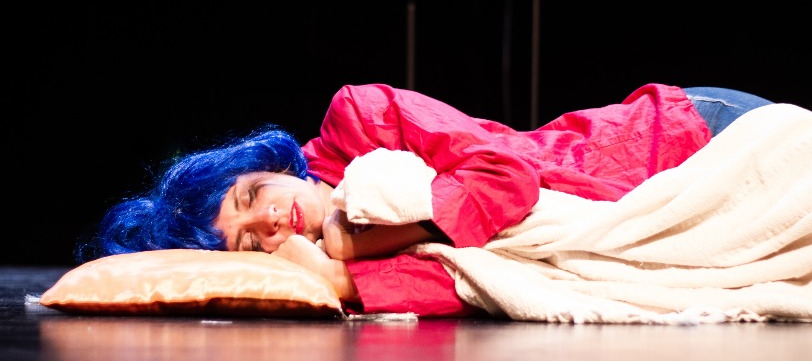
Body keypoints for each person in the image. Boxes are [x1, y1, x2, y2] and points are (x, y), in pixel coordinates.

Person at [74, 83, 773, 317]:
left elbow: (505, 180)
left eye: (253, 194)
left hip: (685, 138)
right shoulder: (328, 275)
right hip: (681, 225)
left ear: (268, 165)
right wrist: (340, 277)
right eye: (251, 239)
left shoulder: (359, 118)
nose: (270, 218)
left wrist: (356, 245)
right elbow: (465, 282)